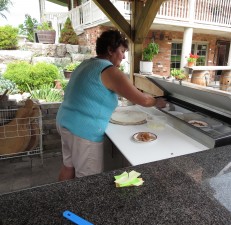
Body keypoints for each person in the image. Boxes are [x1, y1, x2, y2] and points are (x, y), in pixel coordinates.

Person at [56, 29, 166, 181]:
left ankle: (60, 203)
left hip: (65, 122)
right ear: (110, 50)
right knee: (87, 180)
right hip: (83, 131)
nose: (124, 56)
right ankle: (84, 205)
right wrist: (158, 101)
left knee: (69, 167)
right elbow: (144, 100)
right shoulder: (109, 71)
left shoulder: (87, 64)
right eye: (122, 51)